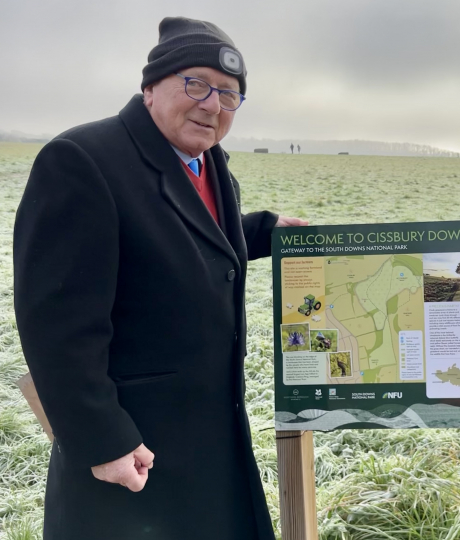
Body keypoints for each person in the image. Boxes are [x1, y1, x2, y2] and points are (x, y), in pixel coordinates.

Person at [14, 17, 306, 540]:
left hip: (211, 439)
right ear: (151, 87)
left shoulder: (206, 163)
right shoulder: (84, 161)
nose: (212, 104)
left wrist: (264, 232)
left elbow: (182, 233)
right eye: (196, 84)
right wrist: (103, 441)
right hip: (134, 453)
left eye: (230, 96)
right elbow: (56, 325)